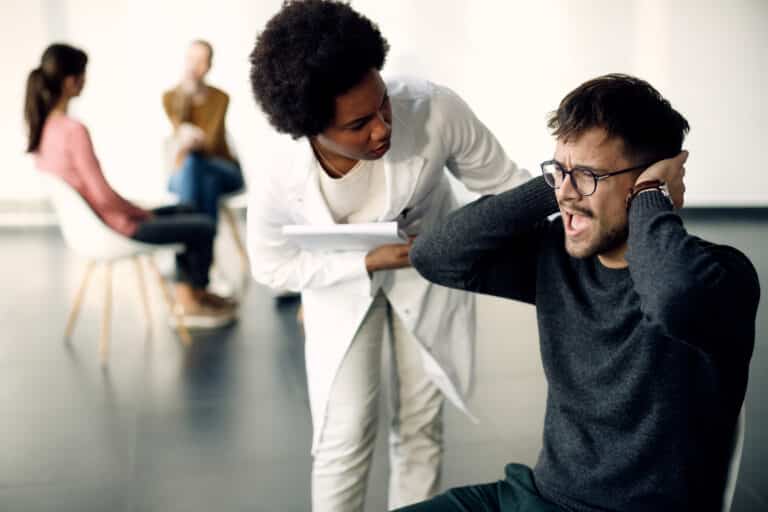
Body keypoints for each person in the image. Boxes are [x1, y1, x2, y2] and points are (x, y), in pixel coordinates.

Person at [405, 74, 760, 511]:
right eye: (560, 171)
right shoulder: (559, 256)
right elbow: (435, 256)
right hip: (535, 497)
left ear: (649, 180)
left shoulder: (722, 275)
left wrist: (652, 195)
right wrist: (560, 184)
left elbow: (672, 298)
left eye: (589, 175)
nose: (568, 194)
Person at [246, 1, 530, 510]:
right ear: (312, 128)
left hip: (428, 277)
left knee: (420, 424)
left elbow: (509, 190)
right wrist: (369, 261)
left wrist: (578, 190)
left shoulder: (433, 109)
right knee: (345, 432)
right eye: (359, 125)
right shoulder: (278, 172)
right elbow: (270, 265)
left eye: (383, 106)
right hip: (337, 285)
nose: (382, 128)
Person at [26, 43, 236, 327]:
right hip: (117, 225)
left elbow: (94, 194)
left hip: (99, 221)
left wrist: (138, 209)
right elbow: (102, 194)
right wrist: (139, 212)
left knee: (186, 208)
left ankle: (196, 293)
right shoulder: (73, 130)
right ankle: (189, 301)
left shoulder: (43, 128)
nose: (86, 80)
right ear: (70, 81)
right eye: (83, 74)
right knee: (203, 225)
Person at [162, 39, 243, 224]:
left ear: (209, 66)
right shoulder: (170, 97)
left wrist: (189, 143)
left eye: (200, 61)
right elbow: (179, 131)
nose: (193, 66)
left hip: (223, 167)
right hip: (189, 171)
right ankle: (202, 244)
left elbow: (211, 144)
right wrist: (185, 96)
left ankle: (187, 233)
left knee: (194, 163)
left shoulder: (220, 98)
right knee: (207, 182)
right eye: (190, 59)